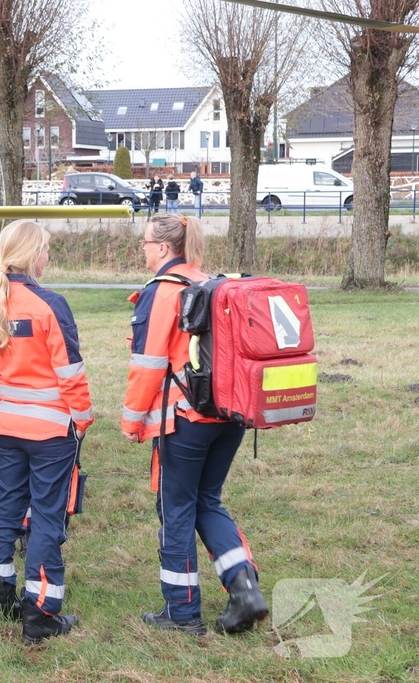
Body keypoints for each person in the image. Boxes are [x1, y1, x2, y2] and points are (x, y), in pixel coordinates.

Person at [121, 214, 269, 636]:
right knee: (208, 500)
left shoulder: (163, 292)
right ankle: (245, 591)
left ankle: (182, 614)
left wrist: (131, 421)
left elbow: (148, 365)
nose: (143, 250)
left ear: (164, 248)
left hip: (186, 419)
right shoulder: (212, 284)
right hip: (229, 414)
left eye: (146, 243)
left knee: (177, 508)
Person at [0, 219, 93, 645]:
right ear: (33, 255)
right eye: (45, 250)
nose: (48, 257)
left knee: (6, 507)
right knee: (46, 516)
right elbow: (70, 371)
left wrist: (5, 406)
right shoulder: (49, 304)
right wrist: (82, 417)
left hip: (8, 426)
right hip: (51, 432)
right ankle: (40, 613)